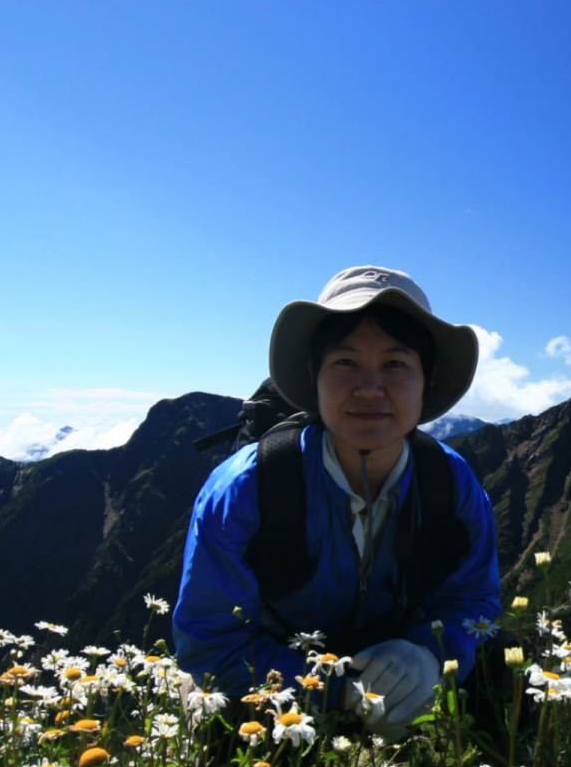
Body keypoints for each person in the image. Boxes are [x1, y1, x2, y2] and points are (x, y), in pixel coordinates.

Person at [172, 266, 501, 739]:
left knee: (506, 681)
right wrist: (335, 692)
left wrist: (431, 657)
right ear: (314, 376)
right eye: (345, 363)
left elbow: (473, 602)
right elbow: (212, 644)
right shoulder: (245, 488)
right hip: (272, 681)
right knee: (225, 740)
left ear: (426, 380)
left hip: (397, 674)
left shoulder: (451, 483)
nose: (370, 388)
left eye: (395, 364)